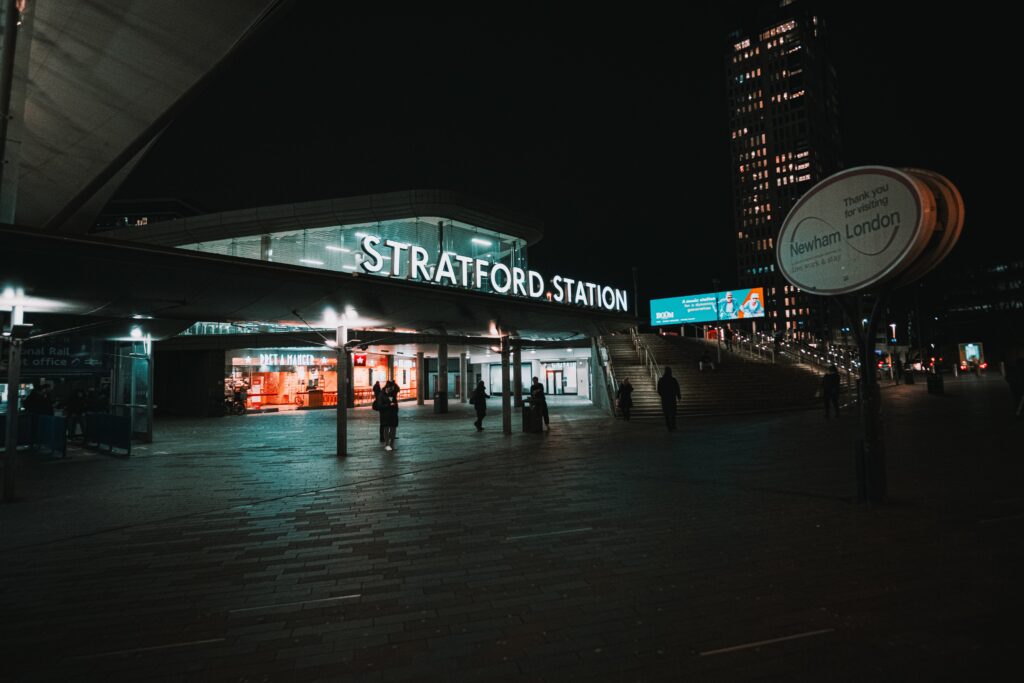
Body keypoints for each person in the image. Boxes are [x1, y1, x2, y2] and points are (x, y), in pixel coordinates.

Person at [380, 379, 400, 451]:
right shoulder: (393, 391)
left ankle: (387, 444)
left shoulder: (383, 391)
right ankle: (390, 444)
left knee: (387, 428)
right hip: (392, 411)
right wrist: (394, 384)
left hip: (386, 412)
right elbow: (398, 389)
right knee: (392, 428)